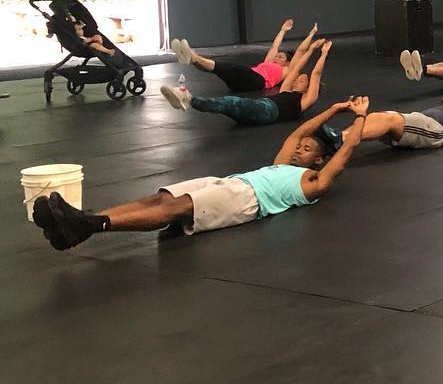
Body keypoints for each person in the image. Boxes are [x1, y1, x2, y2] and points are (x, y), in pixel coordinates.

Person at [30, 96, 370, 251]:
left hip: (246, 200)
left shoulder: (311, 183)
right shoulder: (283, 164)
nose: (299, 149)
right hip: (230, 182)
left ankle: (91, 225)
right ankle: (78, 223)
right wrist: (334, 109)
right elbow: (298, 133)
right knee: (159, 197)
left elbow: (345, 152)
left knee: (174, 209)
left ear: (318, 162)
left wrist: (360, 117)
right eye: (301, 147)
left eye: (307, 150)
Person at [352, 41, 443, 149]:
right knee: (376, 116)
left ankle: (344, 140)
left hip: (435, 129)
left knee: (389, 119)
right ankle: (342, 138)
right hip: (420, 120)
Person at [159, 38, 331, 125]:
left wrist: (323, 54)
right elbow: (296, 67)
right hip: (260, 107)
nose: (296, 80)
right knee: (226, 105)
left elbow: (316, 74)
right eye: (298, 78)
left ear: (308, 88)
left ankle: (188, 98)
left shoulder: (306, 100)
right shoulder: (286, 89)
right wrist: (311, 49)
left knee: (230, 102)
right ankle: (188, 99)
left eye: (302, 81)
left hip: (267, 111)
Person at [170, 18, 316, 93]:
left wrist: (311, 35)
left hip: (258, 81)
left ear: (287, 62)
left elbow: (300, 51)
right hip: (242, 83)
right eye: (277, 56)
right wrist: (283, 30)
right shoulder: (269, 61)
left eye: (281, 57)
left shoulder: (288, 70)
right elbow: (274, 47)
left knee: (232, 67)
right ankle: (193, 59)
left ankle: (193, 56)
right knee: (217, 70)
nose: (276, 57)